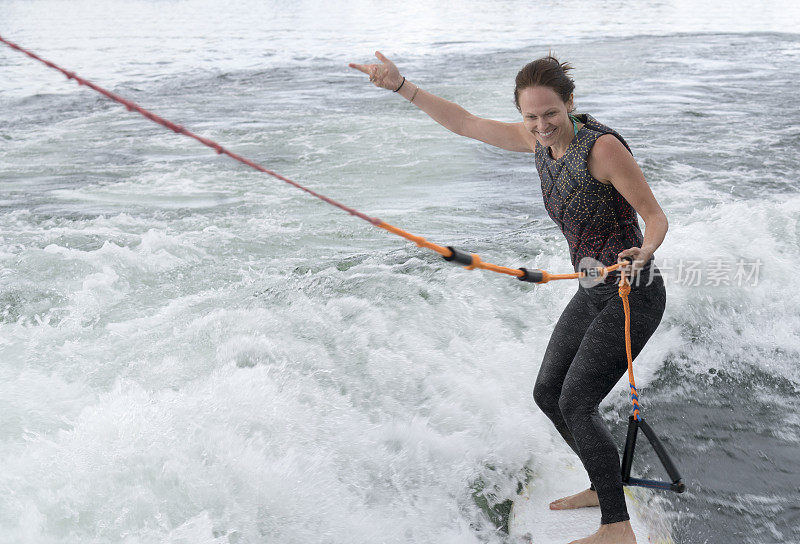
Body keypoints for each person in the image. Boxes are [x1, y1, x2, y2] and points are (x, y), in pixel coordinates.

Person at [349, 51, 668, 544]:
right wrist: (401, 86)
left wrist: (643, 252)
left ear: (569, 105)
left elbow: (655, 217)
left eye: (550, 115)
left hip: (633, 291)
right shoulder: (537, 141)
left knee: (578, 401)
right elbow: (467, 123)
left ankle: (616, 527)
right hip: (590, 288)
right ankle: (601, 486)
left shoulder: (602, 149)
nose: (541, 126)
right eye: (531, 117)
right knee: (549, 394)